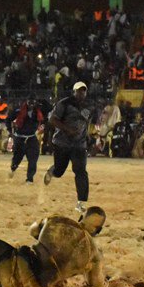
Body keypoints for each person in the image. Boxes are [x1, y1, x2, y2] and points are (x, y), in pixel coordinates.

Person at [43, 81, 91, 213]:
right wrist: (67, 129)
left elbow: (85, 124)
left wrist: (87, 137)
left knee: (80, 171)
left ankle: (81, 202)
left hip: (79, 145)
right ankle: (52, 171)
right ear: (74, 91)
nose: (81, 93)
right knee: (59, 171)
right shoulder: (64, 104)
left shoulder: (88, 107)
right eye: (79, 91)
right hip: (62, 143)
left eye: (84, 91)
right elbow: (52, 119)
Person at [9, 96, 44, 183]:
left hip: (31, 138)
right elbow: (8, 119)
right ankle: (13, 168)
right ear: (27, 102)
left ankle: (30, 178)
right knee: (17, 158)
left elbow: (45, 119)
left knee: (33, 159)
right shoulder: (18, 111)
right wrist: (10, 131)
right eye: (30, 102)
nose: (31, 105)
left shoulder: (38, 112)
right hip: (20, 138)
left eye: (33, 103)